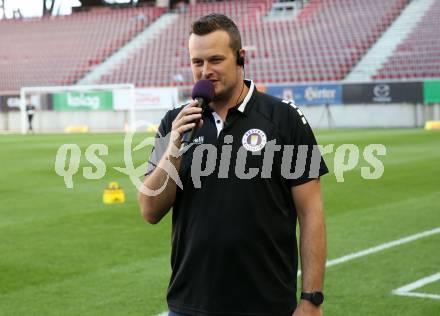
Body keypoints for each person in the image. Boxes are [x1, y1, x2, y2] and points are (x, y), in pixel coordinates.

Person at [138, 13, 328, 316]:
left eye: (215, 60)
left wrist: (311, 297)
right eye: (197, 62)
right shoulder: (174, 123)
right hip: (191, 304)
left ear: (241, 58)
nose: (205, 71)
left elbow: (311, 212)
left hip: (267, 304)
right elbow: (150, 211)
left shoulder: (284, 119)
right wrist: (175, 143)